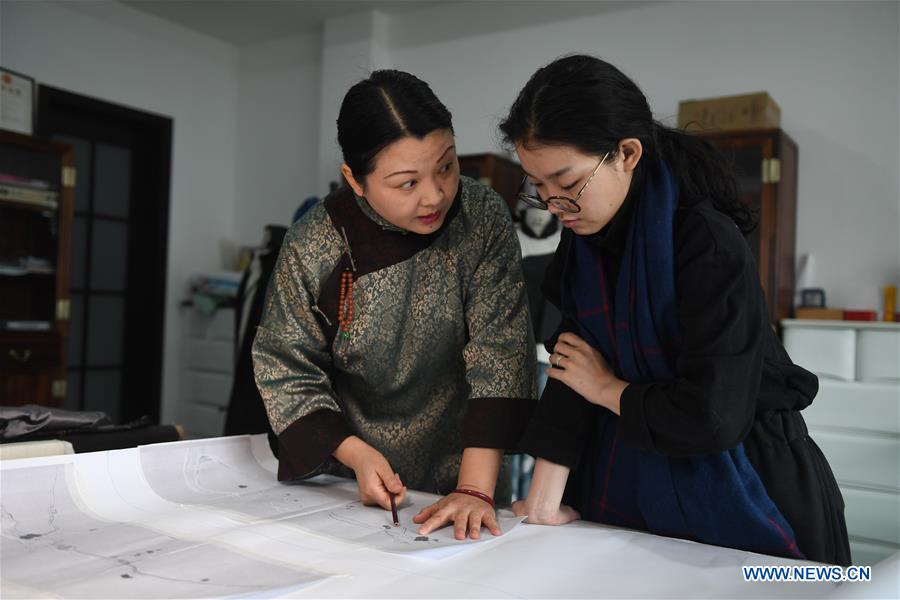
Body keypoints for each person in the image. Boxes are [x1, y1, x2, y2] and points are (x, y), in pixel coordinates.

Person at [500, 54, 851, 565]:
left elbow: (713, 414)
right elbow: (572, 365)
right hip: (629, 475)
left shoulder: (706, 241)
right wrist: (542, 501)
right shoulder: (584, 237)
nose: (555, 207)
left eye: (568, 184)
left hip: (749, 478)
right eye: (539, 188)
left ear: (626, 153)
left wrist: (608, 389)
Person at [252, 70, 535, 540]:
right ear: (355, 180)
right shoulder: (314, 242)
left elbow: (501, 353)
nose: (435, 195)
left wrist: (474, 490)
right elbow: (285, 367)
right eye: (407, 183)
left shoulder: (482, 216)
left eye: (446, 166)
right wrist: (355, 455)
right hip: (350, 480)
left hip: (468, 469)